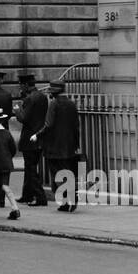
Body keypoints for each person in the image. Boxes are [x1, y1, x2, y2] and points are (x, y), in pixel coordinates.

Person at [38, 80, 81, 211]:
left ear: (53, 93)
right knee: (67, 172)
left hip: (54, 146)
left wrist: (38, 134)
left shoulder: (54, 104)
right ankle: (69, 200)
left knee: (56, 175)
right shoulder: (71, 104)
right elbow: (76, 126)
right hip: (69, 146)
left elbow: (49, 124)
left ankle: (66, 199)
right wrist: (76, 143)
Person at [15, 72, 50, 206]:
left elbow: (24, 118)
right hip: (39, 137)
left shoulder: (30, 99)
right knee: (29, 167)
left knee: (30, 169)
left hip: (29, 139)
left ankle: (40, 197)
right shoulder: (42, 97)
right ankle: (27, 194)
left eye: (21, 85)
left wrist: (17, 109)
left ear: (25, 85)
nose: (20, 88)